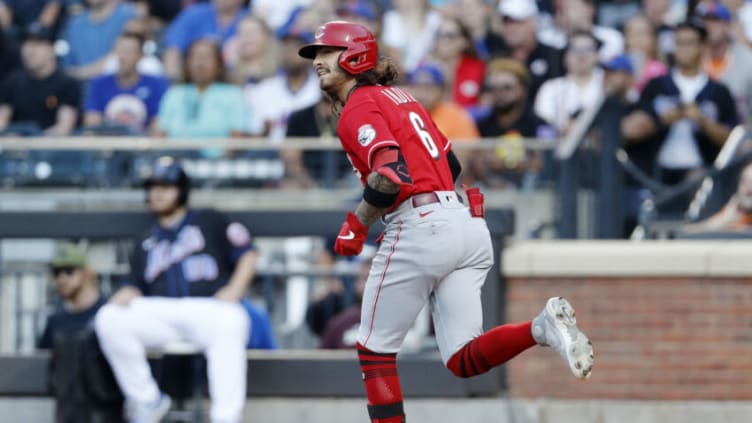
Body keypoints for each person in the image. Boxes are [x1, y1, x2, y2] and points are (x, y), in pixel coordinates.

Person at [298, 21, 594, 423]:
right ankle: (540, 329)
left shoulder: (359, 105)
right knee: (461, 359)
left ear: (354, 55)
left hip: (420, 223)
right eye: (315, 53)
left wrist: (358, 223)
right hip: (465, 223)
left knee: (374, 350)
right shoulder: (402, 97)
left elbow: (389, 172)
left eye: (326, 51)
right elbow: (450, 163)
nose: (317, 61)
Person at [94, 156, 256, 423]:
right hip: (162, 312)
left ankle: (226, 417)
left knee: (232, 320)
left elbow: (247, 254)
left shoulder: (209, 220)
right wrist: (123, 297)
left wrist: (235, 289)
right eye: (152, 187)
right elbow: (135, 284)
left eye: (164, 186)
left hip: (207, 309)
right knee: (109, 318)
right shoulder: (145, 239)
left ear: (181, 190)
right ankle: (147, 401)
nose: (155, 193)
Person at [39, 243, 122, 423]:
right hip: (67, 415)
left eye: (69, 271)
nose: (61, 278)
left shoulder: (110, 314)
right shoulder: (55, 321)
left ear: (86, 272)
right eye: (56, 273)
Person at [0, 23, 80, 136]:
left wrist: (33, 142)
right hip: (16, 148)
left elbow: (64, 128)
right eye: (26, 43)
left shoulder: (67, 83)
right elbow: (2, 121)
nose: (29, 50)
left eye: (37, 44)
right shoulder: (12, 82)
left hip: (52, 149)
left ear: (52, 49)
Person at [83, 31, 169, 135]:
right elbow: (92, 123)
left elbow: (159, 126)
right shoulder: (99, 83)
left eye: (128, 52)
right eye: (119, 51)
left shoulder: (156, 84)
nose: (122, 57)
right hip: (107, 145)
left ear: (140, 56)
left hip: (143, 146)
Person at [682, 161, 752, 232]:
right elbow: (690, 231)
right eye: (745, 182)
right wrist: (723, 221)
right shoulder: (733, 210)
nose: (749, 188)